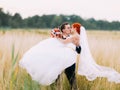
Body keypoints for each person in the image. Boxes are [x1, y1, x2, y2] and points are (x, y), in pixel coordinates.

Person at [59, 22, 81, 89]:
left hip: (70, 63)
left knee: (73, 83)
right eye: (68, 28)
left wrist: (77, 45)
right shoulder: (57, 38)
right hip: (59, 63)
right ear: (63, 30)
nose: (70, 29)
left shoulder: (73, 38)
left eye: (70, 27)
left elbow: (79, 51)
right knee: (57, 82)